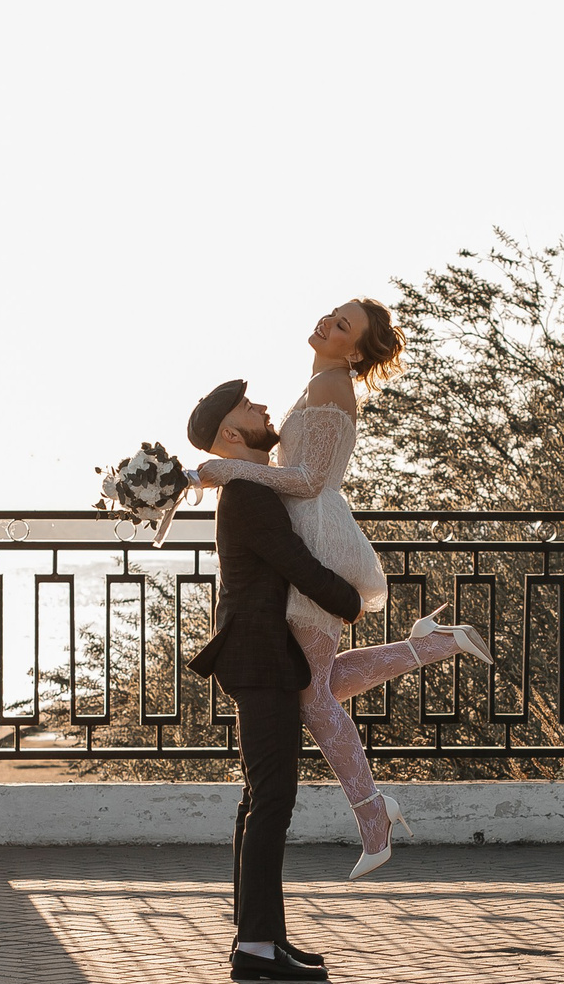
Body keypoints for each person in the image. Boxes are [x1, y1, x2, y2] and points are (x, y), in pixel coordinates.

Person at [190, 299, 490, 879]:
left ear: (354, 350)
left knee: (309, 695)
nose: (328, 322)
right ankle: (434, 643)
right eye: (333, 313)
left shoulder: (333, 389)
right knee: (317, 682)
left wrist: (230, 470)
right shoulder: (320, 382)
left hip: (318, 534)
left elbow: (309, 480)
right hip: (311, 528)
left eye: (343, 325)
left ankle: (374, 815)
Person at [184, 379, 367, 983]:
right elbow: (296, 563)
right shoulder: (245, 493)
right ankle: (256, 946)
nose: (263, 408)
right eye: (247, 406)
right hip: (260, 657)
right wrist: (350, 600)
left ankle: (261, 939)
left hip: (258, 655)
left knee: (260, 801)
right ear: (231, 435)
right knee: (272, 801)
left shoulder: (246, 489)